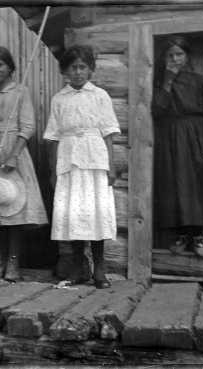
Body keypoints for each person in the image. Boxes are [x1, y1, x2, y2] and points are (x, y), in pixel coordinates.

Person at [43, 45, 120, 288]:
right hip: (68, 161)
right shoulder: (59, 98)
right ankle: (78, 268)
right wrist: (54, 170)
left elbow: (108, 133)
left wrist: (112, 165)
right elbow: (53, 137)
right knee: (74, 214)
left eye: (82, 67)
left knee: (95, 212)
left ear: (90, 70)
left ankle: (100, 270)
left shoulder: (100, 96)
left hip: (94, 158)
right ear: (65, 71)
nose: (77, 72)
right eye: (72, 67)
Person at [0, 46, 48, 282]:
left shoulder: (20, 91)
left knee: (13, 209)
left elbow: (28, 127)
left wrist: (14, 155)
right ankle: (2, 261)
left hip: (13, 154)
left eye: (0, 65)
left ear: (10, 68)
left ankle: (14, 264)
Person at [152, 35, 203, 258]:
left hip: (196, 135)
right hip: (171, 135)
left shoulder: (199, 81)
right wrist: (168, 80)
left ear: (187, 56)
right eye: (170, 55)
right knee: (174, 184)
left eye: (179, 54)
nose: (175, 59)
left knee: (198, 184)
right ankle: (181, 235)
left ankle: (198, 236)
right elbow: (157, 109)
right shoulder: (158, 81)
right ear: (164, 57)